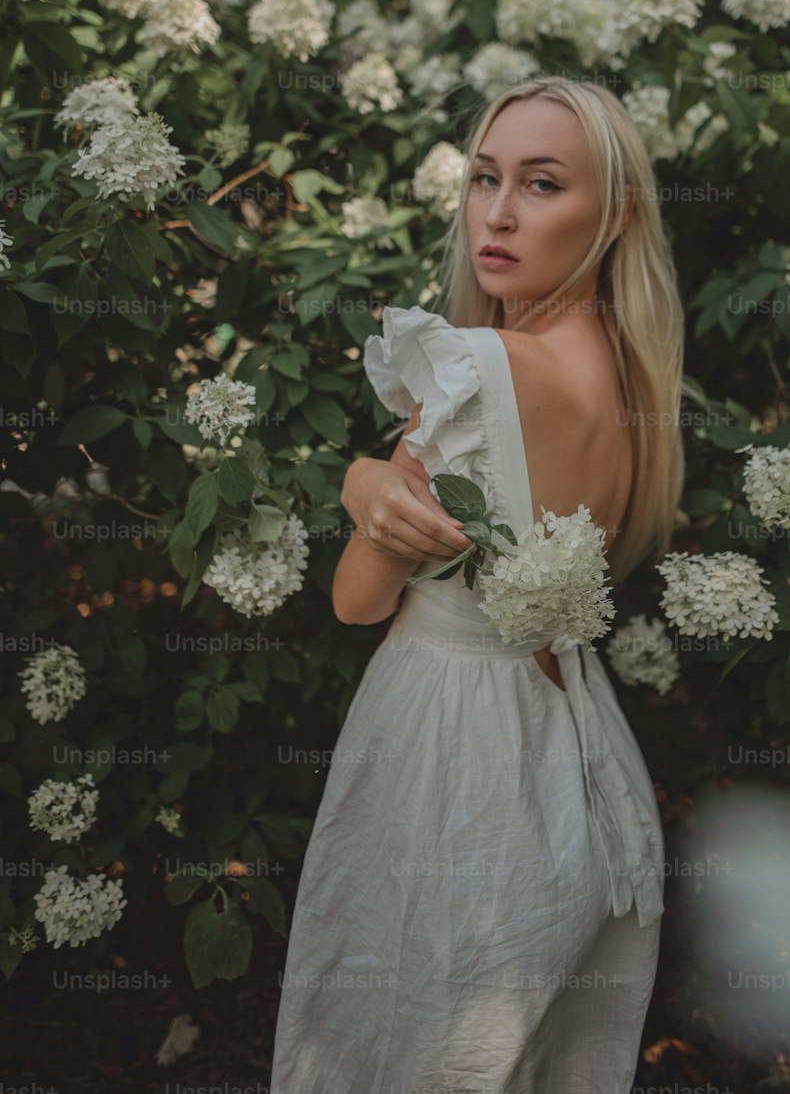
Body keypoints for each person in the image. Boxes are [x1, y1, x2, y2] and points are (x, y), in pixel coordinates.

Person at [270, 76, 686, 1093]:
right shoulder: (627, 378)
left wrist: (360, 478)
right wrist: (374, 476)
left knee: (399, 1033)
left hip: (451, 745)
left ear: (617, 209)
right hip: (569, 745)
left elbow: (358, 597)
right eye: (485, 179)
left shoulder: (479, 367)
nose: (497, 214)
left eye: (541, 184)